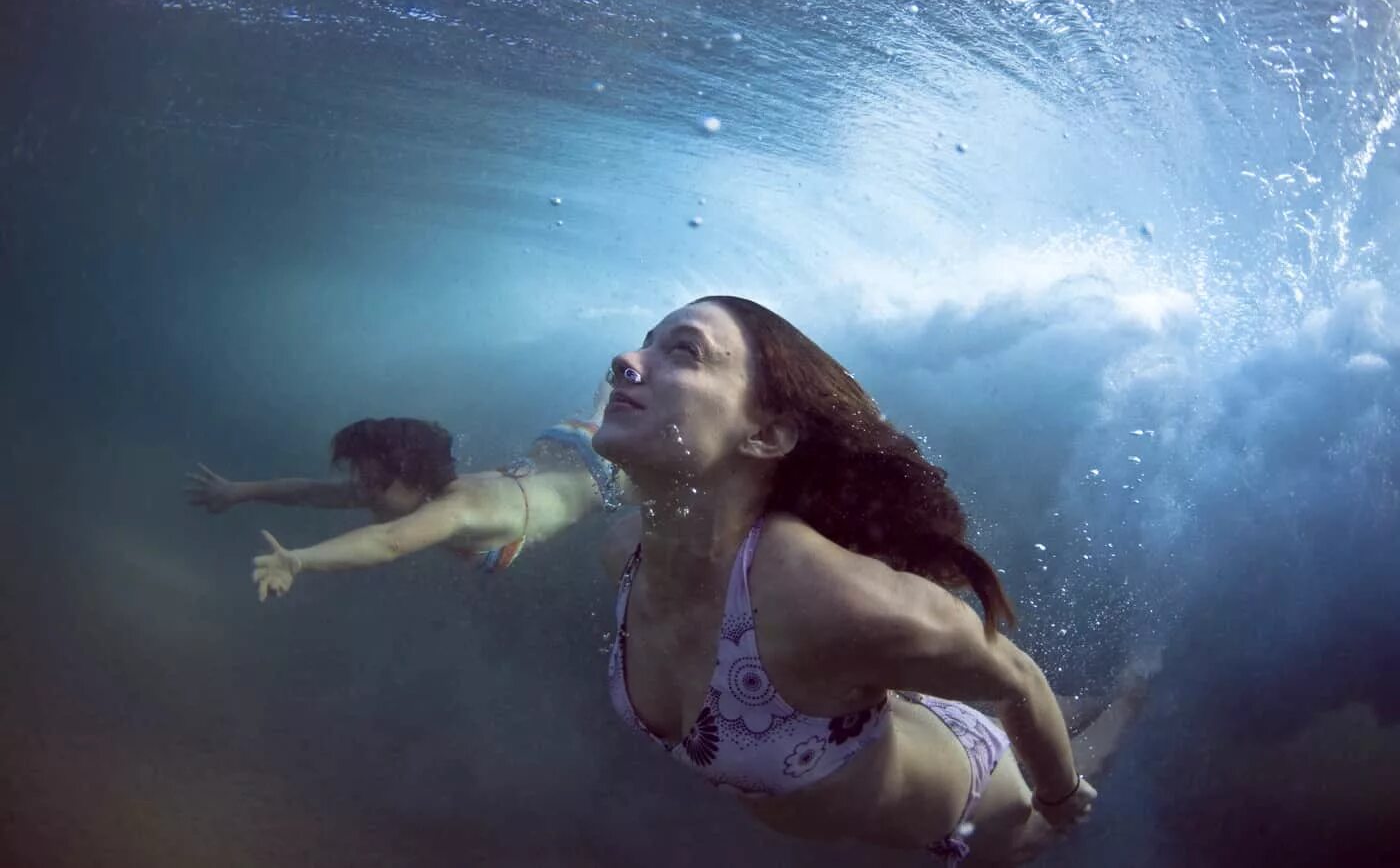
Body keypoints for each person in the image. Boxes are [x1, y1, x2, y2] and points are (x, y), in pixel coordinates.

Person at [590, 296, 1149, 865]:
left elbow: (1018, 680)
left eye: (684, 351)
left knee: (1047, 821)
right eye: (646, 340)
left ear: (767, 435)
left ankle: (1132, 695)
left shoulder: (836, 599)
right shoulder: (624, 554)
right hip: (872, 722)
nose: (625, 360)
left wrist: (1061, 796)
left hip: (975, 801)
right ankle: (1088, 703)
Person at [186, 396, 618, 600]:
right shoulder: (417, 491)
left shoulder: (456, 509)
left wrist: (298, 560)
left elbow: (389, 541)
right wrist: (239, 491)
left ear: (416, 481)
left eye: (374, 483)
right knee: (611, 393)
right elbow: (312, 491)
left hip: (599, 475)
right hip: (550, 452)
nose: (362, 492)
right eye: (363, 480)